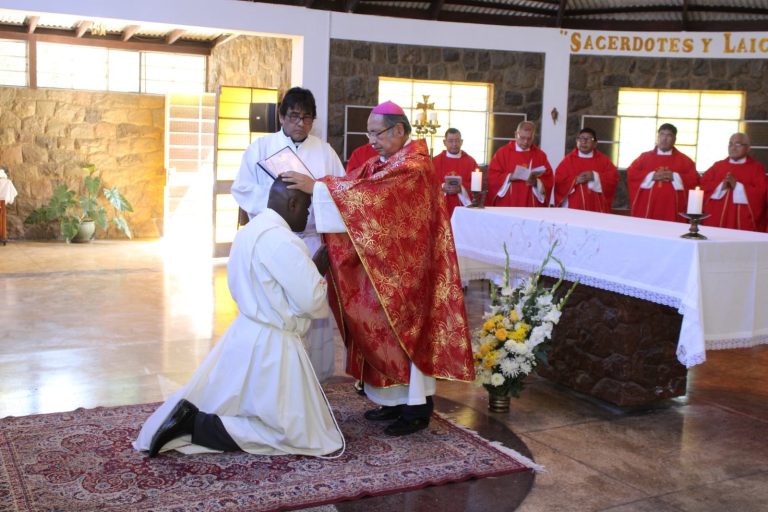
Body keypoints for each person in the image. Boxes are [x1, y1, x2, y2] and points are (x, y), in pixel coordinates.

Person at [282, 100, 474, 437]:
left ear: (399, 130)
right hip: (386, 269)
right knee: (382, 331)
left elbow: (372, 197)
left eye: (377, 133)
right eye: (369, 133)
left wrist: (319, 188)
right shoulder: (384, 162)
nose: (372, 140)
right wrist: (324, 185)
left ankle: (415, 410)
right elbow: (357, 184)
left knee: (406, 335)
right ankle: (392, 402)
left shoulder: (413, 166)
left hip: (409, 273)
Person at [134, 177, 344, 458]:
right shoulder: (282, 240)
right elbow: (313, 299)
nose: (307, 218)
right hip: (273, 345)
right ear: (292, 203)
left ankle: (193, 420)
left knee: (247, 404)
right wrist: (316, 272)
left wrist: (307, 271)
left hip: (246, 333)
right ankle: (198, 425)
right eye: (306, 209)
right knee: (297, 434)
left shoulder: (250, 230)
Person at [231, 87, 345, 382]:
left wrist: (314, 188)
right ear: (282, 116)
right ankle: (273, 376)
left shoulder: (325, 152)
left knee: (312, 307)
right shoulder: (261, 147)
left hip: (310, 240)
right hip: (273, 241)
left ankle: (314, 379)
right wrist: (278, 198)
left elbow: (341, 193)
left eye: (307, 118)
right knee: (274, 308)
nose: (300, 123)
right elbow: (242, 189)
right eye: (294, 116)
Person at [626, 123, 700, 222]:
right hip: (648, 209)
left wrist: (674, 176)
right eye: (662, 134)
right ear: (658, 137)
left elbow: (694, 180)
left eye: (668, 135)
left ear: (674, 139)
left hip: (673, 209)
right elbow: (631, 174)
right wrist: (652, 176)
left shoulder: (685, 160)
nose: (664, 139)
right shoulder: (644, 157)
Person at [700, 133, 767, 231]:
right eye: (730, 144)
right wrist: (720, 186)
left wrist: (737, 186)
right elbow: (702, 185)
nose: (733, 148)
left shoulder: (756, 168)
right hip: (715, 221)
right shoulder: (718, 166)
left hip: (742, 224)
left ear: (748, 148)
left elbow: (762, 193)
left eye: (738, 144)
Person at [487, 121, 553, 207]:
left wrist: (536, 182)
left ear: (533, 137)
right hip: (508, 202)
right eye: (522, 138)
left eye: (529, 139)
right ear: (516, 134)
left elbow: (549, 179)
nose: (525, 142)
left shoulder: (540, 155)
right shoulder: (502, 153)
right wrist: (510, 177)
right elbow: (493, 176)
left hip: (531, 204)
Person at [553, 128, 619, 213]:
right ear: (577, 141)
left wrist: (595, 176)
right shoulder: (568, 161)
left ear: (595, 143)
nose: (584, 141)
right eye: (581, 138)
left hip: (596, 206)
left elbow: (613, 179)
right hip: (573, 206)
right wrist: (575, 180)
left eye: (588, 139)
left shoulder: (604, 161)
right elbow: (559, 181)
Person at [432, 128, 479, 218]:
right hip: (442, 207)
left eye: (457, 141)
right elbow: (429, 183)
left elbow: (476, 185)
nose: (454, 144)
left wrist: (461, 188)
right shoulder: (435, 161)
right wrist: (442, 187)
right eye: (450, 141)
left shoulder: (470, 161)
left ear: (461, 142)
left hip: (463, 208)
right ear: (444, 142)